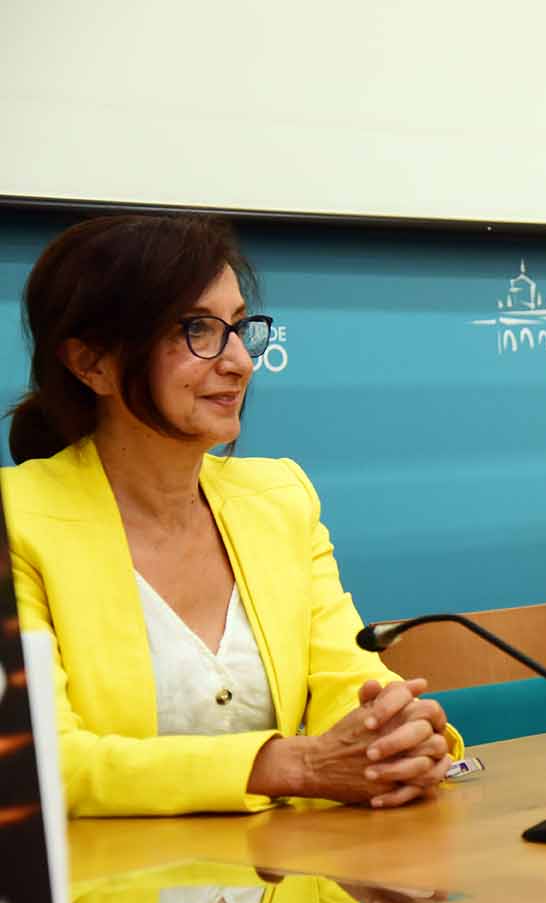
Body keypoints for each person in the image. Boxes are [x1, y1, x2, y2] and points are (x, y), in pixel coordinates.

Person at [2, 215, 462, 816]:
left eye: (239, 328)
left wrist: (393, 737)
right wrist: (291, 765)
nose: (241, 362)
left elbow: (345, 679)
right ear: (93, 363)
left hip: (290, 887)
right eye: (197, 329)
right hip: (106, 897)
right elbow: (44, 761)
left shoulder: (278, 497)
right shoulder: (19, 521)